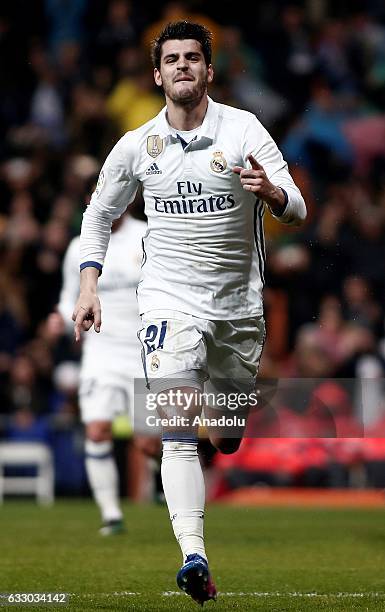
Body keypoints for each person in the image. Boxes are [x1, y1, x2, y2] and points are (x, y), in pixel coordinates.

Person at [73, 21, 306, 604]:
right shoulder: (135, 146)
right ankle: (193, 556)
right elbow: (98, 216)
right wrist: (87, 285)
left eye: (193, 58)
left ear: (208, 70)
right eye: (171, 59)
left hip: (237, 309)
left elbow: (297, 206)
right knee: (175, 429)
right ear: (157, 75)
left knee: (225, 435)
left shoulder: (244, 129)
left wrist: (274, 196)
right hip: (168, 302)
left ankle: (226, 423)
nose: (182, 66)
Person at [49, 212, 147, 534]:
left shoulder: (148, 234)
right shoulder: (80, 245)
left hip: (146, 349)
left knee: (149, 443)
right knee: (96, 429)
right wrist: (61, 320)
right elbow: (69, 301)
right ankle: (111, 515)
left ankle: (162, 484)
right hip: (101, 351)